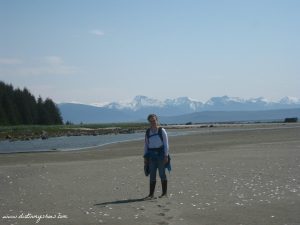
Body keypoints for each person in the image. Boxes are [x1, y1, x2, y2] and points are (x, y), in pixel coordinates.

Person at [143, 114, 169, 199]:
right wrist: (145, 158)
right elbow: (146, 145)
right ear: (149, 122)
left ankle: (164, 193)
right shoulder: (147, 132)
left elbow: (166, 144)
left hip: (161, 155)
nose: (153, 122)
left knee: (162, 174)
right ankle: (151, 194)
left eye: (154, 120)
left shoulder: (162, 130)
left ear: (157, 120)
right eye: (151, 121)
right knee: (152, 175)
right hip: (151, 156)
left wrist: (166, 155)